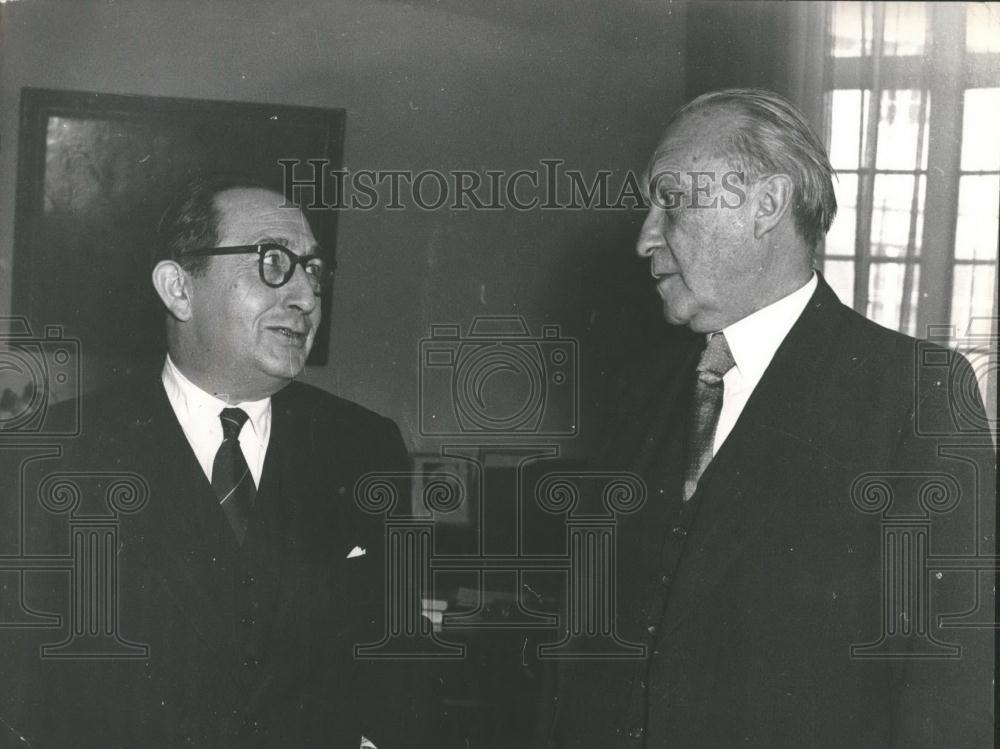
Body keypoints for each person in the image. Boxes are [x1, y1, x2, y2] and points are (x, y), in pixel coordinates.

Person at [547, 90, 995, 747]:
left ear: (765, 205)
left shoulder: (917, 394)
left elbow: (947, 690)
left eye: (672, 201)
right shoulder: (639, 392)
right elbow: (574, 660)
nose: (644, 237)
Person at [2, 176, 427, 747]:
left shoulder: (364, 446)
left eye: (314, 270)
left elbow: (400, 655)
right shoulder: (49, 456)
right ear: (179, 288)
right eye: (273, 262)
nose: (305, 295)